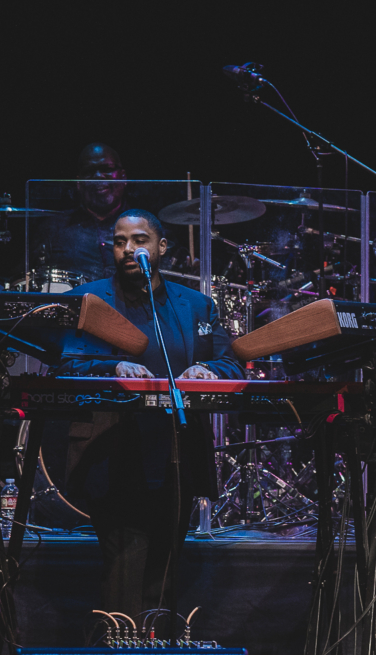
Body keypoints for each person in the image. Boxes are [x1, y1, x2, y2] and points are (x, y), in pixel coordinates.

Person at [57, 209, 242, 622]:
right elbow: (69, 367)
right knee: (124, 567)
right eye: (120, 241)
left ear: (161, 247)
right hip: (113, 450)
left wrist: (207, 370)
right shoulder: (91, 300)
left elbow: (232, 366)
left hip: (178, 449)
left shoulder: (194, 306)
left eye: (139, 240)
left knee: (165, 570)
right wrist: (113, 369)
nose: (128, 249)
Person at [39, 143, 131, 281]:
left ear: (123, 177)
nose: (98, 176)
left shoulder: (145, 226)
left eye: (106, 169)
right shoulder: (54, 228)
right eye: (89, 172)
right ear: (78, 183)